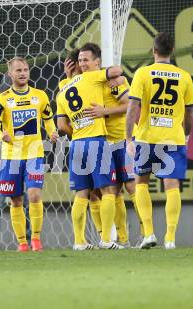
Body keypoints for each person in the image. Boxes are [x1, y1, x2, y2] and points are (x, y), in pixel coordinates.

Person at [126, 32, 193, 249]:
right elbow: (189, 112)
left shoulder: (142, 73)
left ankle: (149, 234)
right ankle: (170, 238)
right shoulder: (184, 76)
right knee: (172, 186)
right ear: (172, 51)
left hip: (147, 137)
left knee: (141, 183)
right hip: (173, 138)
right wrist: (186, 134)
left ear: (153, 50)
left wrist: (129, 138)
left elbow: (132, 108)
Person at [56, 49, 124, 250]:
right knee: (108, 190)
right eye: (81, 60)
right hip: (96, 141)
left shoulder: (63, 91)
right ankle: (106, 240)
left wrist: (78, 129)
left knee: (81, 193)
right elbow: (117, 70)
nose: (83, 63)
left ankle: (79, 242)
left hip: (76, 143)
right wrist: (114, 78)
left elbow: (61, 126)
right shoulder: (92, 77)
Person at [0, 57, 58, 252]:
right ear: (10, 74)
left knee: (34, 195)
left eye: (26, 70)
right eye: (18, 70)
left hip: (34, 154)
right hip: (11, 156)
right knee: (16, 200)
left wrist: (52, 132)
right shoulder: (1, 99)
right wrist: (1, 135)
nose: (22, 73)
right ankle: (22, 243)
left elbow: (48, 119)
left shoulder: (40, 96)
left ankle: (36, 239)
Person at [0, 101, 31, 250]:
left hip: (24, 160)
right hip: (2, 163)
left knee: (27, 202)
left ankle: (28, 242)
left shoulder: (27, 102)